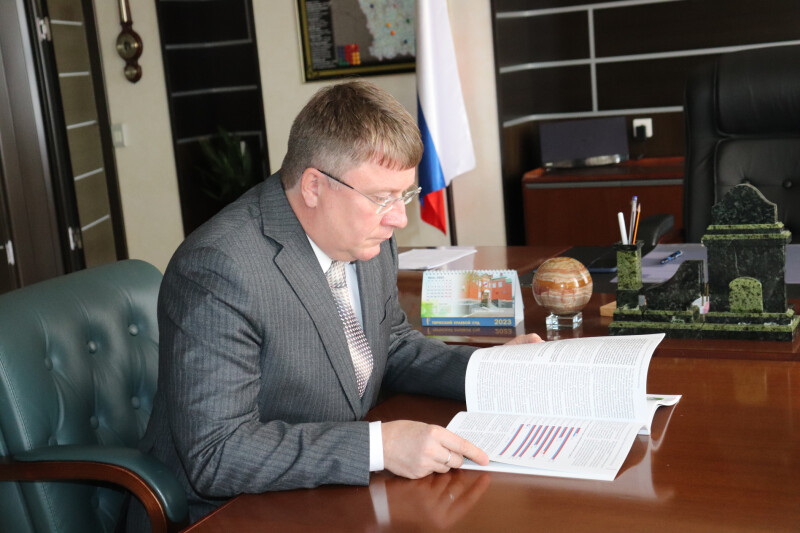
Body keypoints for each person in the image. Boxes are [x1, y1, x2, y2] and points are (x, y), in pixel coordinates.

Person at [127, 80, 540, 530]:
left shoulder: (367, 237)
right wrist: (379, 447)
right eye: (381, 198)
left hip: (329, 493)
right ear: (313, 186)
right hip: (229, 512)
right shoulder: (220, 268)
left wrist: (489, 371)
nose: (399, 218)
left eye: (403, 194)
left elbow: (390, 344)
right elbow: (217, 452)